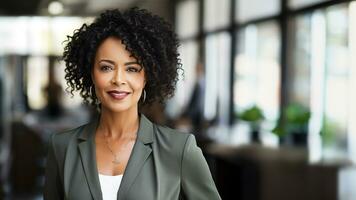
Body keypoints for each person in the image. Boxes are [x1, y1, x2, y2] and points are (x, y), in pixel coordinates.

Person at [44, 8, 221, 200]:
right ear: (91, 73)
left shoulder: (179, 149)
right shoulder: (62, 147)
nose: (118, 79)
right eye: (106, 67)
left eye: (132, 69)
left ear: (148, 77)